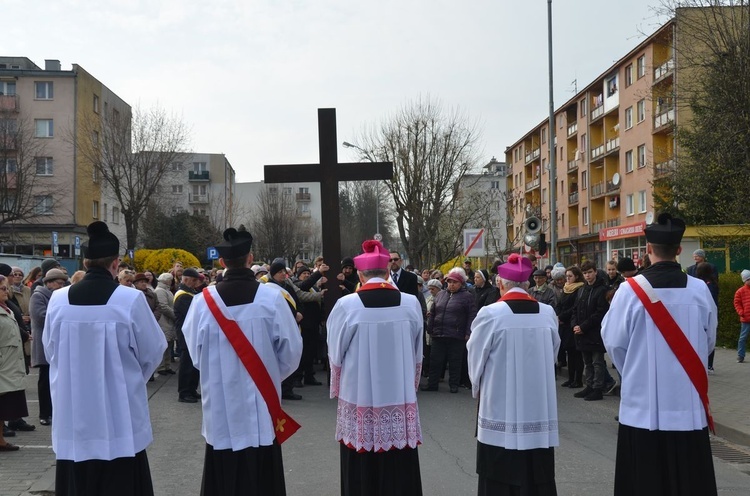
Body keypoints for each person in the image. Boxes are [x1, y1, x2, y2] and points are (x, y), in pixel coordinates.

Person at [42, 221, 166, 495]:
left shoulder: (58, 301)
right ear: (116, 263)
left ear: (84, 262)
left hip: (73, 414)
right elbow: (154, 351)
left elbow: (51, 352)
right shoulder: (130, 301)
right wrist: (128, 379)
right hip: (119, 416)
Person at [602, 213, 718, 496]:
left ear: (648, 250)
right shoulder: (700, 290)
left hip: (643, 409)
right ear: (679, 251)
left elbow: (614, 343)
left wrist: (633, 371)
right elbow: (710, 340)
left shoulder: (628, 292)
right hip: (688, 408)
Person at [182, 228, 302, 495]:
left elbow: (195, 354)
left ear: (222, 262)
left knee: (223, 466)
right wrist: (267, 374)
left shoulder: (202, 302)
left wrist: (220, 374)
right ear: (251, 258)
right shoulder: (272, 298)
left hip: (221, 404)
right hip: (262, 401)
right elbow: (292, 352)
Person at [327, 239, 424, 495]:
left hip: (359, 396)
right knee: (398, 466)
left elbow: (335, 355)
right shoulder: (411, 304)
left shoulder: (346, 306)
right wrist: (410, 384)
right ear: (388, 272)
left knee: (362, 469)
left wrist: (336, 385)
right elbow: (417, 355)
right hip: (399, 399)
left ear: (360, 274)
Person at [467, 253, 560, 496]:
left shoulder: (490, 314)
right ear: (528, 284)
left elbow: (476, 359)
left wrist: (477, 389)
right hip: (539, 409)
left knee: (499, 478)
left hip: (500, 406)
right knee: (535, 473)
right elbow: (553, 354)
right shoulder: (547, 313)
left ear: (500, 283)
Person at [421, 267, 477, 393]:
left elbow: (471, 316)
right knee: (435, 361)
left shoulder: (467, 297)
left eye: (455, 282)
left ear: (461, 283)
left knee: (455, 362)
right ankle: (432, 384)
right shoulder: (440, 294)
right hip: (438, 333)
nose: (451, 285)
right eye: (449, 282)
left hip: (456, 334)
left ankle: (454, 385)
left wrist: (468, 332)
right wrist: (430, 328)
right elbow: (434, 311)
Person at [30, 268, 68, 426]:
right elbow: (40, 317)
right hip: (43, 344)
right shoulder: (38, 296)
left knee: (56, 381)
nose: (61, 286)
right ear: (49, 283)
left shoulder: (60, 296)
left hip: (58, 343)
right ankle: (44, 414)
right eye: (59, 283)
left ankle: (54, 412)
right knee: (45, 380)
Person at [571, 260, 611, 401]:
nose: (587, 276)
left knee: (597, 362)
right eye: (585, 273)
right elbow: (575, 309)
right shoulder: (581, 290)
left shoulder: (602, 289)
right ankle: (589, 386)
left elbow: (600, 313)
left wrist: (583, 326)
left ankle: (597, 388)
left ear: (595, 272)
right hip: (581, 332)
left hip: (595, 332)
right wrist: (575, 325)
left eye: (589, 272)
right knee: (587, 361)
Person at [0, 274, 27, 451]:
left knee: (4, 407)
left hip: (9, 367)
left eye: (6, 288)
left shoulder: (6, 309)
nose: (6, 291)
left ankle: (1, 440)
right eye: (3, 288)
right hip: (3, 367)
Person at [175, 268, 202, 403]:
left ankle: (191, 390)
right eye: (193, 280)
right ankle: (184, 392)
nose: (195, 283)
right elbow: (192, 313)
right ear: (185, 280)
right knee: (186, 365)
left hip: (191, 333)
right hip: (185, 334)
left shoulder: (189, 293)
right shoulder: (182, 295)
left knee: (193, 364)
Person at [733, 269, 750, 364]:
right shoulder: (740, 291)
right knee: (742, 338)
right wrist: (741, 312)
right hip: (746, 319)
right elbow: (737, 303)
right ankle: (741, 355)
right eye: (749, 279)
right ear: (745, 280)